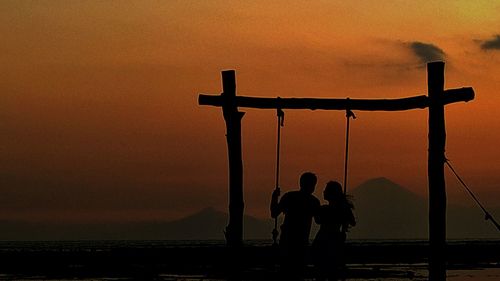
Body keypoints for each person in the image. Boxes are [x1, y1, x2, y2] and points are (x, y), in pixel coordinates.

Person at [270, 172, 321, 280]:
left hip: (287, 240)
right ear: (313, 186)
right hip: (302, 242)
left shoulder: (289, 197)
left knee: (285, 272)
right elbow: (319, 220)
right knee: (299, 272)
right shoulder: (314, 201)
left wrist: (274, 197)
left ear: (300, 183)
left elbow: (274, 213)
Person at [312, 181, 356, 281]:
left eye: (326, 190)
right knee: (333, 272)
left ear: (331, 193)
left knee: (320, 271)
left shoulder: (324, 209)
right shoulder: (343, 209)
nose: (323, 192)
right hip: (336, 240)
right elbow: (352, 222)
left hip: (322, 240)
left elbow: (318, 220)